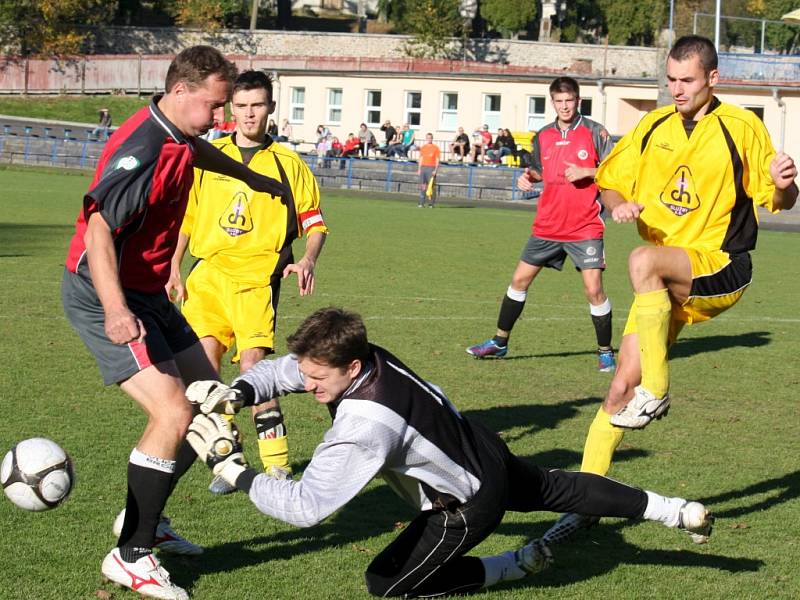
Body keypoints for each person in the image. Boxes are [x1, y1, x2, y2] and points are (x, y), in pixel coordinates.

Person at [183, 307, 714, 598]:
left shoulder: (364, 422)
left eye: (318, 377)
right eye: (306, 372)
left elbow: (306, 507)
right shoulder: (368, 355)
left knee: (386, 584)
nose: (306, 383)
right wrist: (240, 391)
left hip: (466, 503)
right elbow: (285, 370)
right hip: (481, 445)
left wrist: (235, 470)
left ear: (350, 367)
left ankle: (513, 565)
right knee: (558, 485)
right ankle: (677, 510)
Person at [545, 35, 798, 543]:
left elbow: (782, 200)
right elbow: (609, 179)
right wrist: (617, 202)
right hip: (660, 286)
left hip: (720, 267)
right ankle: (587, 501)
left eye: (686, 80)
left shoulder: (741, 127)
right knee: (617, 390)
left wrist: (786, 180)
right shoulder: (654, 125)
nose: (675, 89)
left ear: (712, 79)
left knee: (642, 261)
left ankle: (657, 391)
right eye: (670, 79)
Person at [61, 46, 288, 600]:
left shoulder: (177, 132)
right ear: (181, 90)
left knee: (211, 401)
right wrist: (116, 312)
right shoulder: (141, 147)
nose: (220, 119)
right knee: (174, 409)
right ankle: (131, 556)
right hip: (104, 293)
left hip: (147, 293)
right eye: (214, 106)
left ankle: (144, 516)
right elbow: (97, 233)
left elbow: (197, 154)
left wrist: (252, 179)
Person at [168, 70, 328, 496]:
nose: (248, 114)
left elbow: (314, 222)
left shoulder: (290, 165)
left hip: (256, 281)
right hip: (207, 278)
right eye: (240, 106)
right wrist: (174, 266)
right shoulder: (209, 154)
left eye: (256, 105)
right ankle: (228, 462)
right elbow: (188, 216)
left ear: (270, 107)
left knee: (253, 371)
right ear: (230, 109)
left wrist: (308, 258)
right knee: (204, 378)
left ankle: (276, 467)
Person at [467, 76, 616, 373]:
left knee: (593, 289)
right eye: (559, 101)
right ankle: (499, 341)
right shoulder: (543, 135)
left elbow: (617, 171)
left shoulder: (595, 132)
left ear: (578, 101)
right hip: (547, 224)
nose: (564, 106)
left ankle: (605, 352)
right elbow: (538, 170)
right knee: (519, 281)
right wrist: (527, 178)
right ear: (552, 102)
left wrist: (588, 170)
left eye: (569, 101)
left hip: (583, 226)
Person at [416, 132, 440, 208]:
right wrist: (419, 169)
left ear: (432, 139)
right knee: (423, 186)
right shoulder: (423, 147)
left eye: (430, 138)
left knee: (431, 186)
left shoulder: (436, 148)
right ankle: (421, 203)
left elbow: (437, 159)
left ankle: (431, 203)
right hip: (423, 168)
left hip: (431, 168)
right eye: (428, 138)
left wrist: (435, 170)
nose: (429, 139)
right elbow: (421, 158)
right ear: (426, 138)